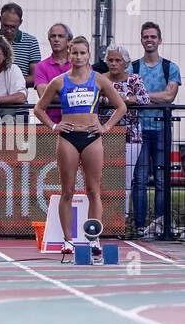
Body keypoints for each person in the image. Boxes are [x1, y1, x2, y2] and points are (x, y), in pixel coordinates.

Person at [32, 36, 126, 258]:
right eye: (74, 53)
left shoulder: (99, 80)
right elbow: (38, 108)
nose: (78, 57)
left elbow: (120, 106)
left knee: (94, 191)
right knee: (67, 191)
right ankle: (68, 241)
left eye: (83, 53)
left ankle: (94, 239)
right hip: (68, 138)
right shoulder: (59, 81)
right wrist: (54, 125)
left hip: (92, 137)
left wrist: (106, 127)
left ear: (88, 55)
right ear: (68, 54)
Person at [130, 21, 180, 237]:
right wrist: (152, 98)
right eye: (145, 36)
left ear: (160, 40)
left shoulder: (171, 67)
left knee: (162, 179)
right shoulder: (132, 67)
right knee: (139, 178)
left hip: (161, 128)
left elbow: (169, 97)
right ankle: (140, 226)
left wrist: (141, 97)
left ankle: (160, 224)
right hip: (138, 130)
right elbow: (127, 98)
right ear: (141, 39)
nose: (149, 40)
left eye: (153, 37)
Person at [100, 44, 149, 229]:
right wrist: (123, 99)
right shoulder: (100, 79)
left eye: (117, 60)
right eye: (110, 60)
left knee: (126, 179)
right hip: (105, 133)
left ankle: (122, 220)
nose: (113, 63)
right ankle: (103, 219)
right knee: (103, 177)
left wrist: (118, 98)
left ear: (125, 63)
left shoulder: (134, 79)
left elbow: (144, 99)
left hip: (131, 135)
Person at [32, 23, 73, 126]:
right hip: (52, 125)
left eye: (60, 36)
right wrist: (74, 95)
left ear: (68, 41)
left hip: (77, 124)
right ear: (49, 40)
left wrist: (55, 93)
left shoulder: (80, 64)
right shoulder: (41, 66)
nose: (56, 39)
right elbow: (44, 96)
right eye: (53, 36)